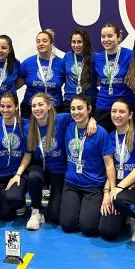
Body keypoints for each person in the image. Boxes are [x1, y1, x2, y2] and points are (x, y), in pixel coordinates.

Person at [23, 93, 97, 230]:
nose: (37, 108)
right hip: (40, 167)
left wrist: (92, 119)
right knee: (33, 176)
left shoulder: (62, 119)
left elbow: (80, 117)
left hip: (58, 170)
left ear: (49, 106)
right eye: (34, 106)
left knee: (55, 217)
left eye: (40, 104)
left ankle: (53, 207)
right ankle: (36, 210)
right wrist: (17, 174)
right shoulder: (29, 127)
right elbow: (28, 154)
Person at [59, 94, 116, 237]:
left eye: (80, 108)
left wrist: (111, 191)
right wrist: (91, 119)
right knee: (67, 225)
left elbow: (109, 164)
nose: (76, 112)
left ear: (89, 109)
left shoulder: (100, 133)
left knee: (88, 229)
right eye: (73, 109)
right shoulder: (68, 126)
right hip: (71, 184)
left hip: (93, 186)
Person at [103, 99, 135, 242]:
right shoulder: (109, 136)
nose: (117, 115)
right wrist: (107, 192)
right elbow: (109, 168)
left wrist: (119, 188)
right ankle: (125, 214)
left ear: (130, 115)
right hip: (116, 185)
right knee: (107, 232)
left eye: (121, 112)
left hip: (134, 185)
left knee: (121, 200)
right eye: (114, 111)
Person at [0, 92, 31, 221]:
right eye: (2, 106)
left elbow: (28, 153)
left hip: (19, 173)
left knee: (14, 198)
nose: (5, 110)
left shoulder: (26, 125)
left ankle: (19, 200)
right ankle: (5, 196)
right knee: (3, 216)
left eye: (9, 106)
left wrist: (18, 174)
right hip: (1, 175)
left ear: (16, 106)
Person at [93, 23, 134, 132]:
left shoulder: (130, 55)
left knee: (126, 139)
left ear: (119, 37)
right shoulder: (97, 58)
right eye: (103, 36)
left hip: (124, 105)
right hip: (103, 105)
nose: (106, 39)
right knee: (102, 137)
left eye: (110, 36)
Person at [18, 30, 65, 118]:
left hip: (54, 108)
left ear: (51, 44)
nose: (41, 44)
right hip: (30, 108)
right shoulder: (28, 63)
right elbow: (16, 85)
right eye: (38, 41)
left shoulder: (61, 64)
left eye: (44, 41)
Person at [62, 29, 97, 112]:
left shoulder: (95, 57)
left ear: (86, 43)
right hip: (69, 100)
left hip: (89, 101)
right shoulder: (67, 56)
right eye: (73, 42)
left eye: (79, 42)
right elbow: (63, 77)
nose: (76, 45)